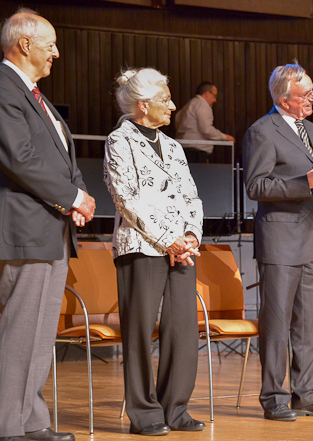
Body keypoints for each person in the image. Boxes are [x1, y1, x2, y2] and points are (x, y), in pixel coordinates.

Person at [0, 8, 96, 441]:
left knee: (38, 332)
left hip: (49, 226)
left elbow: (60, 155)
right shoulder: (0, 87)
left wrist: (78, 195)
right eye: (50, 44)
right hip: (24, 227)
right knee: (19, 329)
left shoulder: (33, 93)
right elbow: (20, 159)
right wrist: (72, 197)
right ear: (25, 44)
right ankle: (5, 425)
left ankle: (30, 420)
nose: (56, 52)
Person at [103, 67, 204, 436]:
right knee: (140, 331)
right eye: (166, 100)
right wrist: (168, 239)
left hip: (181, 250)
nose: (173, 105)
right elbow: (125, 198)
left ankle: (175, 409)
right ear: (143, 105)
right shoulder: (119, 141)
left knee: (182, 330)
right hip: (142, 248)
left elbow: (192, 195)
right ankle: (144, 415)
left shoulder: (174, 146)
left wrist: (191, 235)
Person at [243, 62, 313, 422]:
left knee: (312, 324)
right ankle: (274, 397)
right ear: (285, 99)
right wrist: (308, 183)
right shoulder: (261, 131)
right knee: (277, 323)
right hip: (281, 241)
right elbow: (257, 186)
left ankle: (308, 394)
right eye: (307, 95)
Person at [174, 81, 234, 154]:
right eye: (214, 96)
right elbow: (206, 129)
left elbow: (177, 122)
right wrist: (225, 137)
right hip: (197, 150)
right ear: (207, 94)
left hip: (182, 147)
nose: (215, 100)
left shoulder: (188, 106)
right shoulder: (203, 105)